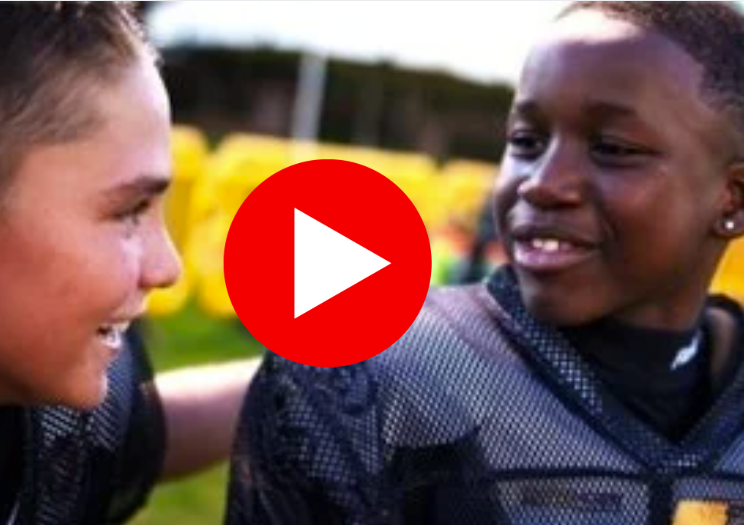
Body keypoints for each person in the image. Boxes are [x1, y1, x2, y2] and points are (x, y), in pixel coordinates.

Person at [225, 3, 744, 523]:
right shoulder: (364, 379)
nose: (542, 183)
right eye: (526, 141)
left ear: (734, 198)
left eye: (611, 147)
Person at [0, 4, 257, 525]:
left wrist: (312, 373)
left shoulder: (32, 419)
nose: (167, 268)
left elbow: (141, 435)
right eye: (127, 212)